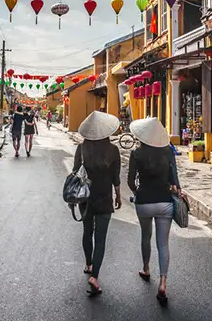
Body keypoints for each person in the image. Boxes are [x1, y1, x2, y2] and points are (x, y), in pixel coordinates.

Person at [127, 117, 181, 306]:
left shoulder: (136, 153)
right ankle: (163, 283)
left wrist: (138, 192)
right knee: (163, 244)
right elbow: (175, 179)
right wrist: (176, 189)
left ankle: (146, 268)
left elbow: (130, 181)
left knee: (145, 237)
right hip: (164, 202)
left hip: (143, 202)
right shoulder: (168, 153)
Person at [72, 111, 121, 297]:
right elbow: (116, 177)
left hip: (85, 198)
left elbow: (75, 173)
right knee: (100, 238)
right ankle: (94, 276)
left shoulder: (82, 149)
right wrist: (117, 195)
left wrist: (73, 200)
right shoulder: (113, 150)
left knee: (87, 232)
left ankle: (88, 263)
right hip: (104, 197)